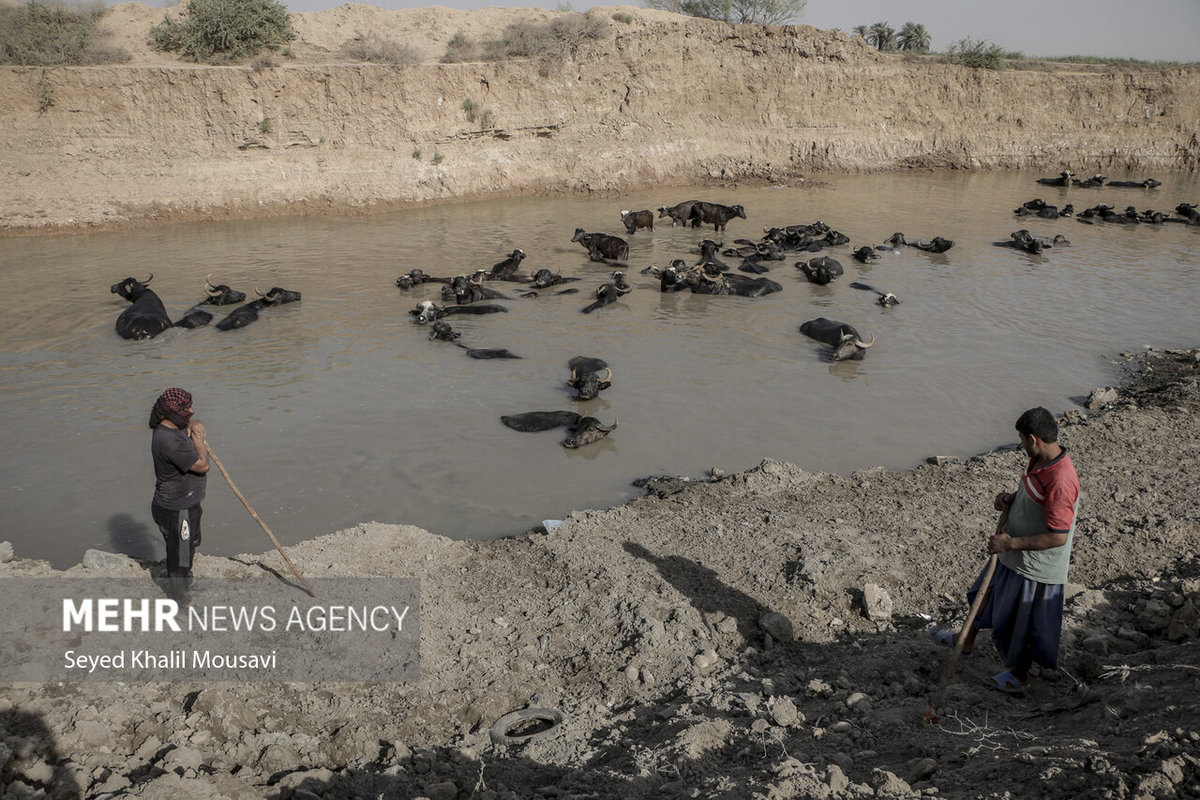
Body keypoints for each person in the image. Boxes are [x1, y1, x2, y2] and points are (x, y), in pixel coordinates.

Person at [930, 406, 1081, 693]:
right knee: (984, 595)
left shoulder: (1061, 480)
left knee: (1019, 622)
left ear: (1034, 439)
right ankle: (966, 640)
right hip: (1012, 554)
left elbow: (1058, 536)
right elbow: (1034, 494)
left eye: (1022, 439)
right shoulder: (1041, 461)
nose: (1020, 444)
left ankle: (1018, 676)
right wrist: (1012, 498)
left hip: (1033, 565)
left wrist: (1009, 543)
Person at [149, 388, 210, 604]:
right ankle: (180, 599)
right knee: (180, 555)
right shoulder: (168, 440)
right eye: (186, 409)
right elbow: (202, 465)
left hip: (187, 502)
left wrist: (195, 425)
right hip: (176, 508)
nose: (191, 411)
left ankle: (185, 583)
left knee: (190, 542)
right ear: (171, 412)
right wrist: (199, 440)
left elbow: (190, 425)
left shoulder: (173, 427)